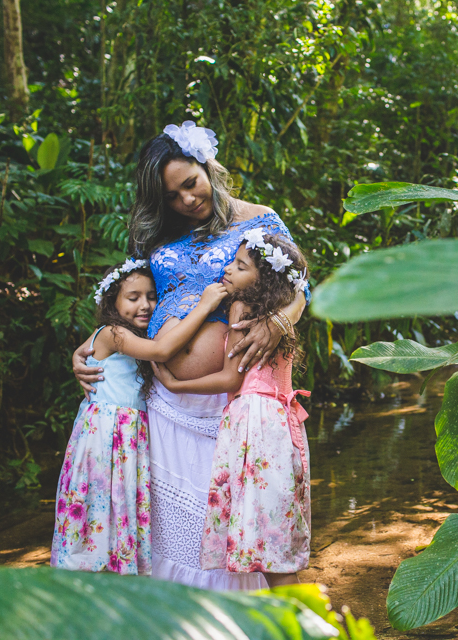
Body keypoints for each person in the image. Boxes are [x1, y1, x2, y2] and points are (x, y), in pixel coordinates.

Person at [71, 121, 307, 590]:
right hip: (163, 403)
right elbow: (132, 298)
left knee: (236, 528)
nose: (186, 200)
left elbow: (299, 287)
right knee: (173, 532)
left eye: (190, 184)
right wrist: (95, 344)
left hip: (229, 402)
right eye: (172, 196)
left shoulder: (260, 219)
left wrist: (279, 321)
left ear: (208, 168)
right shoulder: (160, 233)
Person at [153, 232, 310, 588]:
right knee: (274, 540)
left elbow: (229, 378)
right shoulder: (276, 316)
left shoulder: (242, 308)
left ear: (264, 278)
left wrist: (178, 385)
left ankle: (313, 627)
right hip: (280, 424)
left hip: (254, 425)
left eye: (240, 266)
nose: (227, 269)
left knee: (267, 549)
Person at [52, 259, 227, 574]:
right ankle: (91, 574)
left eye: (151, 296)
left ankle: (118, 570)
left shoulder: (123, 335)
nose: (145, 305)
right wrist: (204, 306)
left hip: (125, 435)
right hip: (107, 436)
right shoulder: (115, 332)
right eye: (133, 297)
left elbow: (87, 351)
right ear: (112, 302)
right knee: (100, 502)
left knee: (119, 502)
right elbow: (162, 351)